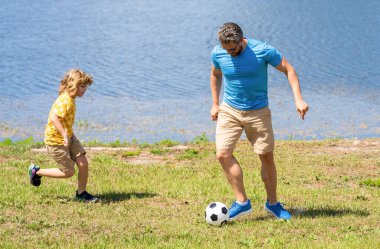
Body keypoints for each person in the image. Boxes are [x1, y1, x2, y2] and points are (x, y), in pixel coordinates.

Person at [210, 22, 308, 220]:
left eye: (233, 49)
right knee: (222, 154)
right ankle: (242, 202)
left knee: (266, 156)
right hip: (230, 110)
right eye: (225, 49)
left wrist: (298, 98)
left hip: (258, 112)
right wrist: (215, 103)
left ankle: (273, 204)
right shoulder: (218, 53)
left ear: (241, 41)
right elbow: (215, 74)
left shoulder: (262, 50)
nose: (229, 52)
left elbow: (289, 69)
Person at [28, 69, 98, 202]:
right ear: (73, 85)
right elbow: (54, 118)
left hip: (69, 137)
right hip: (56, 141)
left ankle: (81, 193)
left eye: (85, 87)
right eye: (82, 86)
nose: (84, 90)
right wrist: (64, 135)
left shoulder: (71, 98)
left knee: (83, 163)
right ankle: (36, 172)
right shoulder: (65, 100)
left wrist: (68, 135)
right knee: (68, 172)